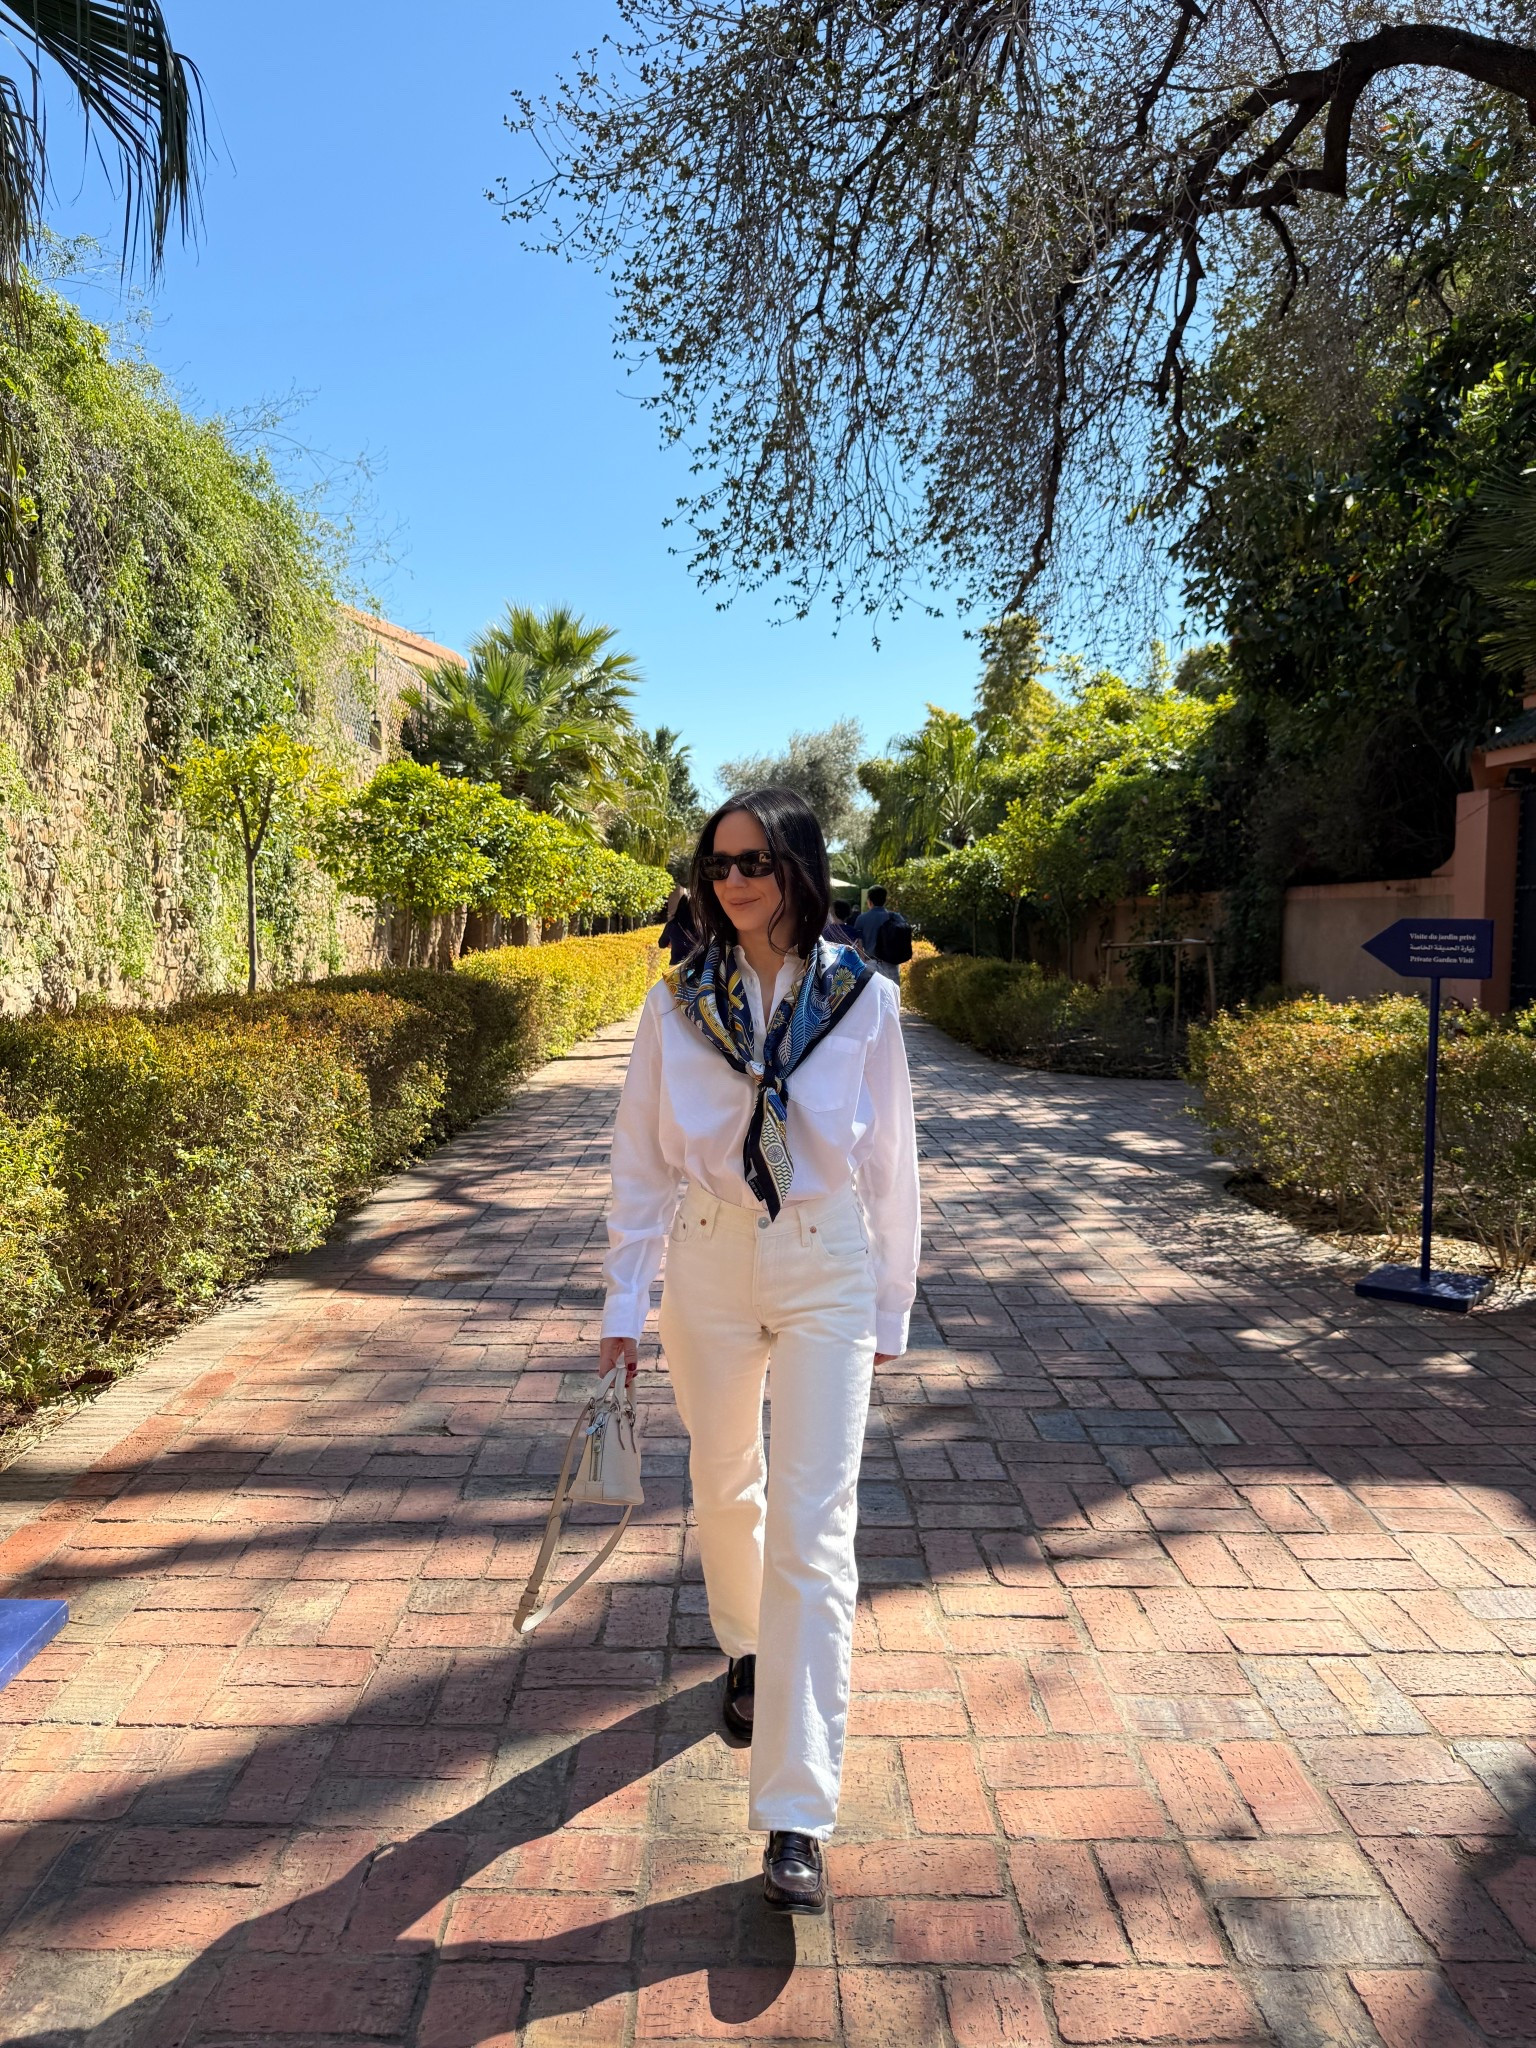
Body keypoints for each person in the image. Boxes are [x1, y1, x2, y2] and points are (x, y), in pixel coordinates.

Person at [601, 787, 920, 1915]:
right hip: (707, 1255)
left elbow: (893, 1171)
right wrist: (620, 1304)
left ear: (797, 866)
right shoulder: (673, 1003)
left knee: (814, 1528)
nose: (732, 879)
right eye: (717, 861)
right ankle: (744, 1650)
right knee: (722, 1479)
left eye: (754, 859)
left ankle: (797, 1810)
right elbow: (641, 1160)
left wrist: (892, 1307)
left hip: (827, 1257)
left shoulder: (865, 1001)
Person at [854, 886, 900, 984]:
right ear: (885, 900)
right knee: (891, 997)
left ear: (870, 901)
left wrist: (863, 962)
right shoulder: (895, 917)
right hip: (892, 964)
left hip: (871, 964)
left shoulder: (862, 919)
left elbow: (858, 943)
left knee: (872, 997)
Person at [658, 885, 698, 965]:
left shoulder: (672, 925)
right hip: (697, 968)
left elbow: (661, 944)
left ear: (680, 906)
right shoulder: (702, 926)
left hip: (676, 968)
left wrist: (672, 943)